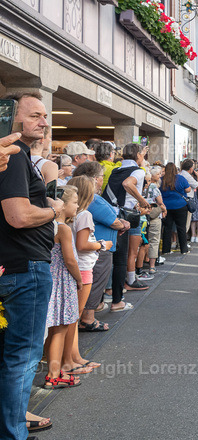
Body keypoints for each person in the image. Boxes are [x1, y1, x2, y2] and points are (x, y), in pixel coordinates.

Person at [0, 90, 68, 440]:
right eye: (35, 115)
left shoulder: (17, 157)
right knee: (22, 359)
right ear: (12, 119)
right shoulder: (11, 157)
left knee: (13, 359)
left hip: (18, 267)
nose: (44, 122)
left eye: (45, 115)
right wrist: (54, 209)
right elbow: (19, 216)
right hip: (24, 268)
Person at [74, 161, 127, 328]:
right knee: (95, 282)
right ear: (94, 179)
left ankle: (85, 317)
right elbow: (112, 221)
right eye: (102, 177)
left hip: (96, 249)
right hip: (98, 249)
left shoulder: (85, 198)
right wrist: (122, 224)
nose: (102, 181)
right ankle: (87, 319)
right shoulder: (92, 200)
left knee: (93, 282)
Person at [65, 174, 108, 372]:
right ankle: (72, 360)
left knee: (72, 318)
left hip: (76, 267)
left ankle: (75, 357)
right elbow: (82, 245)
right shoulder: (84, 215)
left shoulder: (70, 215)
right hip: (82, 268)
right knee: (73, 317)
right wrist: (101, 244)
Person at [43, 186, 81, 389]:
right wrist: (79, 280)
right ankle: (53, 374)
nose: (77, 206)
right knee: (60, 328)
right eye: (75, 202)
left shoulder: (47, 225)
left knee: (52, 328)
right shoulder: (63, 229)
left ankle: (53, 369)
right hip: (62, 281)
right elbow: (70, 260)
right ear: (63, 205)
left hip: (51, 279)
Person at [104, 143, 151, 298]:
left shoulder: (116, 169)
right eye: (142, 154)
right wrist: (142, 200)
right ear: (138, 155)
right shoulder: (138, 171)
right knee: (121, 259)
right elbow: (127, 184)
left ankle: (106, 294)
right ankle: (118, 300)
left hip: (110, 213)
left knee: (109, 255)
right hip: (123, 216)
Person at [159, 162, 193, 255]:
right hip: (180, 206)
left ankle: (166, 250)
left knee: (167, 228)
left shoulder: (161, 180)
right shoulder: (181, 178)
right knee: (181, 228)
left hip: (166, 207)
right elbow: (188, 189)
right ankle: (184, 249)